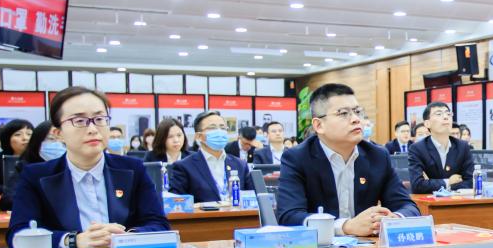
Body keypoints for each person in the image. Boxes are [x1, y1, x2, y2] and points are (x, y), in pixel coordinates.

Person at [6, 86, 169, 248]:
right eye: (79, 121)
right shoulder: (36, 176)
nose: (92, 129)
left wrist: (126, 238)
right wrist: (74, 240)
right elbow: (18, 234)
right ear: (58, 133)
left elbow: (159, 224)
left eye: (99, 119)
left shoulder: (133, 169)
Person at [277, 83, 418, 235]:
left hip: (368, 246)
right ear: (319, 125)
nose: (356, 119)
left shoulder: (377, 156)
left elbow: (408, 207)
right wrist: (345, 227)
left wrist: (393, 218)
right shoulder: (297, 158)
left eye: (357, 112)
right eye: (343, 113)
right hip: (319, 247)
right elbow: (289, 217)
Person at [168, 111, 253, 204]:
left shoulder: (240, 165)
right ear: (199, 136)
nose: (219, 132)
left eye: (223, 128)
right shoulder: (184, 167)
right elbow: (175, 204)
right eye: (212, 128)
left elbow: (253, 200)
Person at [409, 101, 474, 193]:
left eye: (448, 114)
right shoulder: (418, 149)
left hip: (457, 200)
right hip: (430, 201)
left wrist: (432, 183)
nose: (445, 117)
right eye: (439, 114)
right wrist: (448, 182)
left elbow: (470, 182)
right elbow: (418, 185)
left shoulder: (462, 147)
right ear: (427, 124)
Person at [0, 121, 63, 211]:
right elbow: (8, 200)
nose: (58, 144)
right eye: (51, 139)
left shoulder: (77, 168)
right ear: (37, 142)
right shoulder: (27, 167)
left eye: (63, 140)